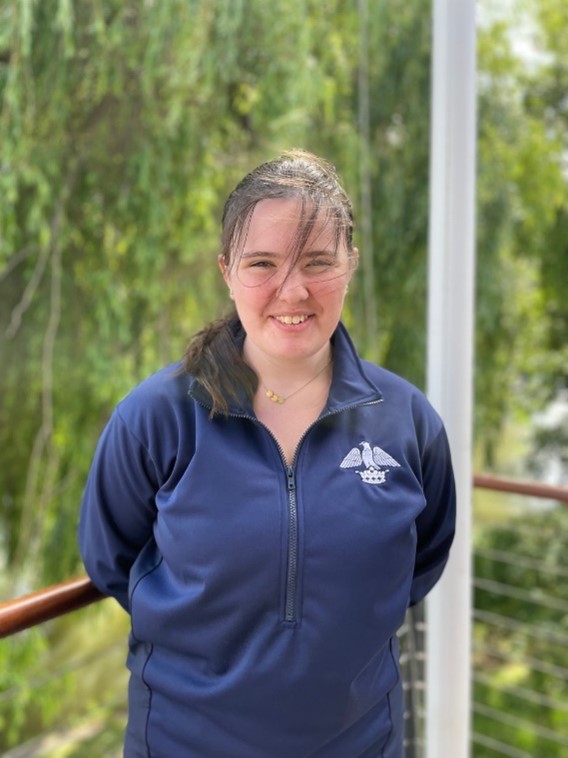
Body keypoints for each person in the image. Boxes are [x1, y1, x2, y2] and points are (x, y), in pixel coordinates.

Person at [78, 149, 456, 757]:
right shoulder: (156, 417)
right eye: (263, 263)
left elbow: (421, 559)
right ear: (226, 270)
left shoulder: (408, 423)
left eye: (317, 262)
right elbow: (112, 559)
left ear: (350, 265)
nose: (293, 290)